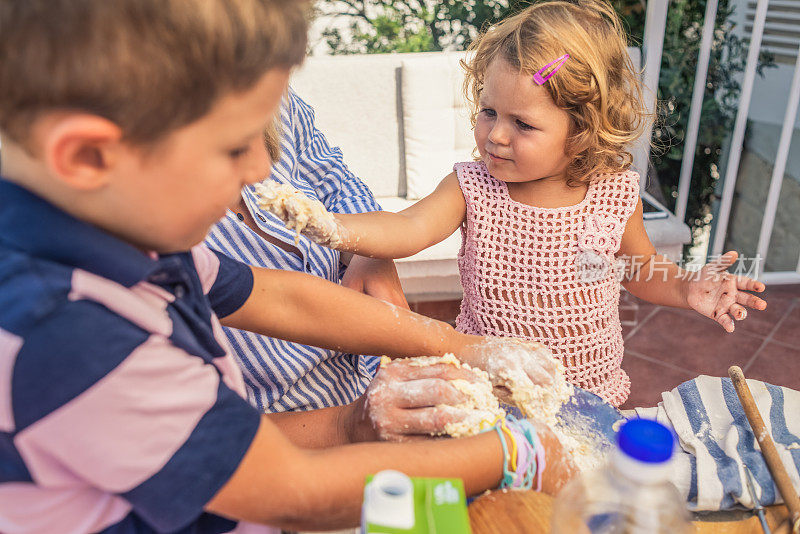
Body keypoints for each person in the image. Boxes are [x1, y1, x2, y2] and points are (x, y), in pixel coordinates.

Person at [0, 1, 575, 532]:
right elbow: (293, 490)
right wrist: (517, 453)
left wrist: (463, 345)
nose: (262, 168)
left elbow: (281, 297)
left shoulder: (115, 230)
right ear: (88, 155)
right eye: (236, 146)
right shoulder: (68, 333)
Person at [281, 0, 768, 407]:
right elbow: (408, 228)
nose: (495, 134)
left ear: (581, 132)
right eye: (488, 111)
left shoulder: (612, 194)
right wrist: (327, 224)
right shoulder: (473, 188)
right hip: (492, 387)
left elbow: (639, 270)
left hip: (586, 393)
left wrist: (686, 289)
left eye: (523, 124)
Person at [205, 90, 406, 413]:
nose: (262, 172)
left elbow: (335, 180)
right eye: (236, 144)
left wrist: (369, 251)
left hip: (369, 381)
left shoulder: (270, 93)